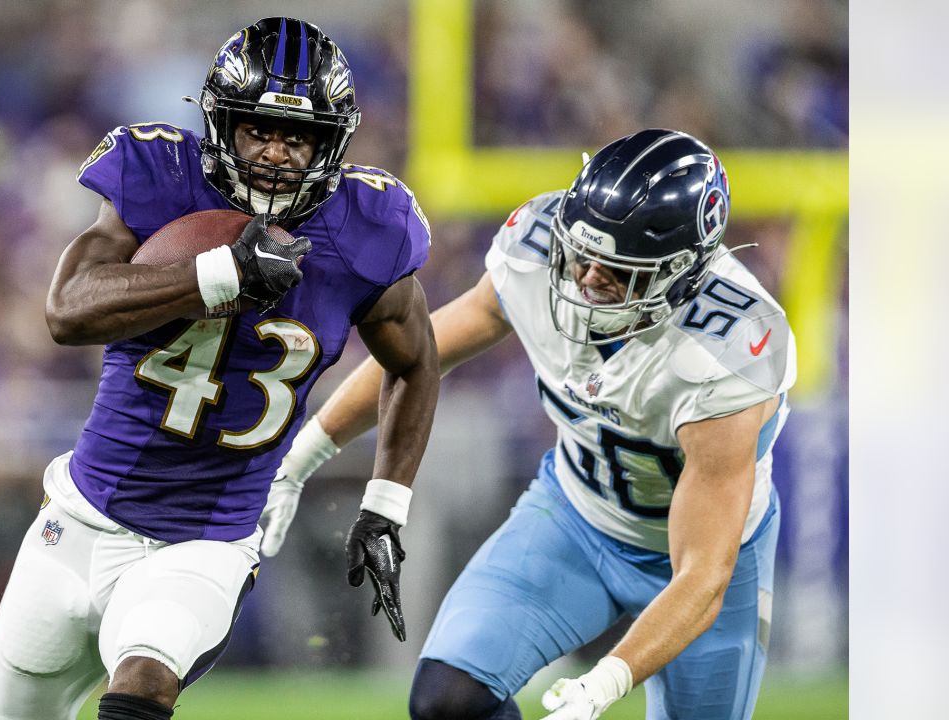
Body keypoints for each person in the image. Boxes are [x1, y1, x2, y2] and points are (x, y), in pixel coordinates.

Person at [0, 17, 439, 720]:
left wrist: (386, 503)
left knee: (143, 684)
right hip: (77, 518)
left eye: (299, 136)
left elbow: (416, 360)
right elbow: (66, 311)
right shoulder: (160, 176)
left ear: (334, 143)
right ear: (220, 124)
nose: (277, 155)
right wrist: (218, 273)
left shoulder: (367, 228)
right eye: (258, 129)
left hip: (206, 539)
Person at [266, 129, 796, 720]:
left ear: (678, 274)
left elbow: (704, 575)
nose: (586, 278)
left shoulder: (728, 348)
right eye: (582, 255)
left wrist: (601, 687)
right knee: (448, 702)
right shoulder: (540, 252)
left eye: (615, 270)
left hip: (695, 562)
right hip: (574, 516)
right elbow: (419, 352)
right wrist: (299, 458)